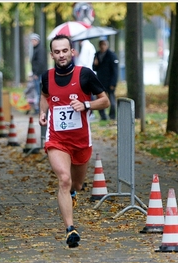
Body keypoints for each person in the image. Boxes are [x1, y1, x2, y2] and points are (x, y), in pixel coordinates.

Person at [39, 34, 110, 248]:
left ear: (72, 52)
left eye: (64, 50)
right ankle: (70, 229)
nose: (61, 55)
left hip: (80, 141)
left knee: (76, 184)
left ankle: (72, 194)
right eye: (57, 51)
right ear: (52, 54)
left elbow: (105, 101)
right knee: (63, 178)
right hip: (56, 139)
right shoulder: (47, 76)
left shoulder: (85, 75)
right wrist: (42, 113)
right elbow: (44, 95)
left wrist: (86, 105)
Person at [93, 38, 119, 120]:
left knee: (111, 99)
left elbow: (115, 70)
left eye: (104, 45)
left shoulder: (112, 55)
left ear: (107, 45)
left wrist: (113, 83)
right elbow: (95, 68)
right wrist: (95, 64)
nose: (102, 46)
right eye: (101, 45)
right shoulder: (97, 55)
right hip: (101, 81)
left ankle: (112, 115)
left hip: (109, 81)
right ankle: (103, 116)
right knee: (100, 99)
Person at [30, 33, 47, 115]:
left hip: (39, 74)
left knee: (39, 92)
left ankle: (40, 109)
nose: (32, 42)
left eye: (33, 40)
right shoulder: (37, 49)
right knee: (38, 92)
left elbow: (40, 62)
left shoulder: (39, 50)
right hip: (38, 73)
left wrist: (36, 73)